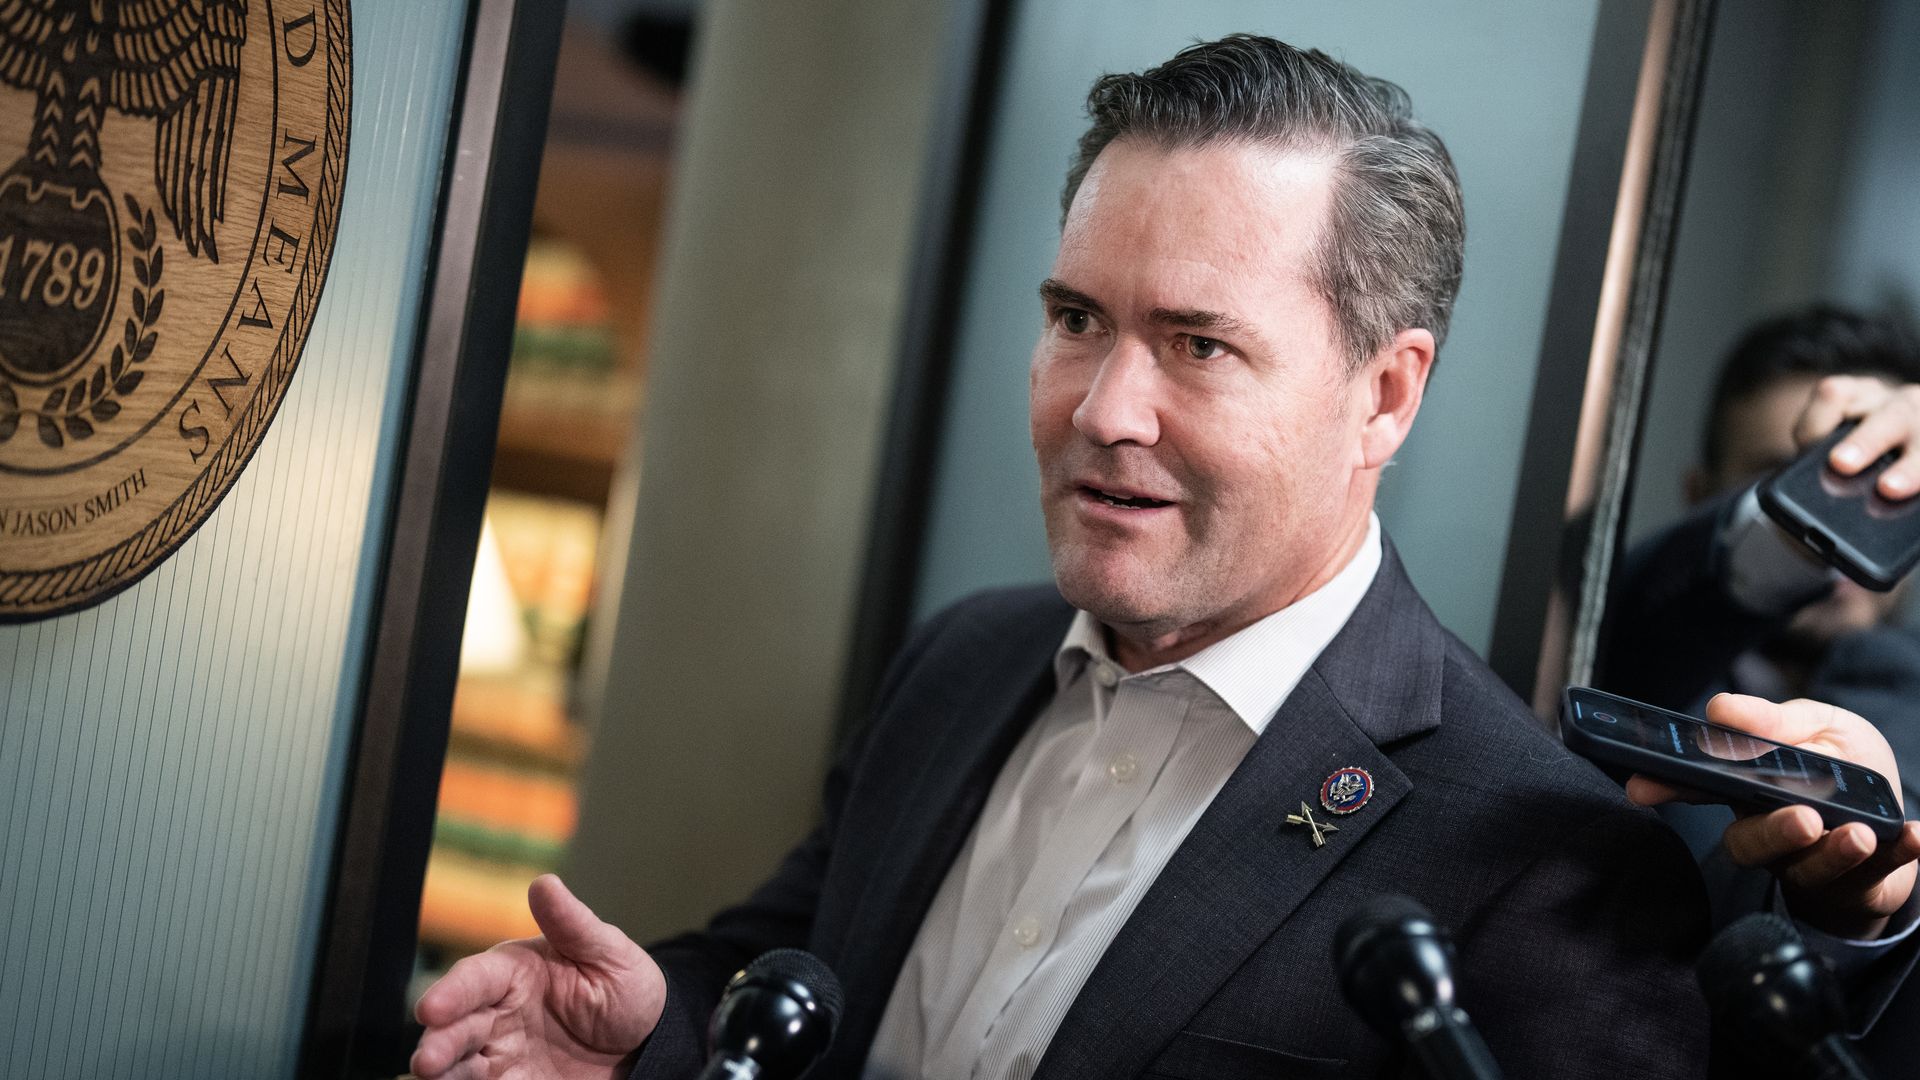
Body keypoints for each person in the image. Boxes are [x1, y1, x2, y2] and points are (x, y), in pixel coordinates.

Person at [412, 38, 1916, 1080]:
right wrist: (652, 1029)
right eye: (1077, 320)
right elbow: (800, 968)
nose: (1103, 410)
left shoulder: (1541, 858)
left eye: (1198, 344)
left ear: (1385, 395)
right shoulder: (967, 660)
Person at [1600, 308, 1920, 1063]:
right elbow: (1642, 605)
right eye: (1791, 474)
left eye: (1879, 474)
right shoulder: (1634, 660)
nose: (1839, 502)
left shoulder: (1907, 693)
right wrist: (1792, 524)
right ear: (1699, 492)